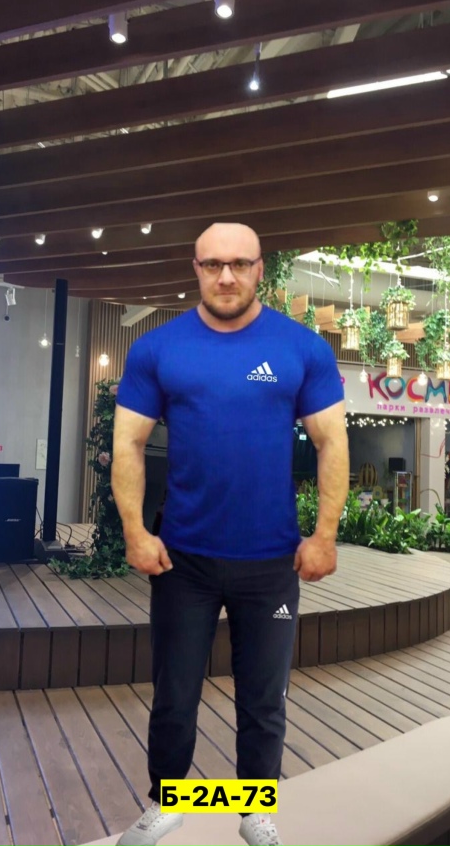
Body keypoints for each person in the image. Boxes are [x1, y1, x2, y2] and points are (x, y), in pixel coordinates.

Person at [112, 222, 349, 846]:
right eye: (213, 264)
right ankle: (170, 802)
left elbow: (332, 442)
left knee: (264, 698)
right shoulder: (157, 349)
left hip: (271, 562)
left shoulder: (301, 349)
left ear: (260, 269)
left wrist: (324, 536)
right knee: (175, 695)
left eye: (240, 264)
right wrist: (135, 531)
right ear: (195, 268)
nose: (226, 276)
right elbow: (128, 443)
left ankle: (253, 810)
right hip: (182, 561)